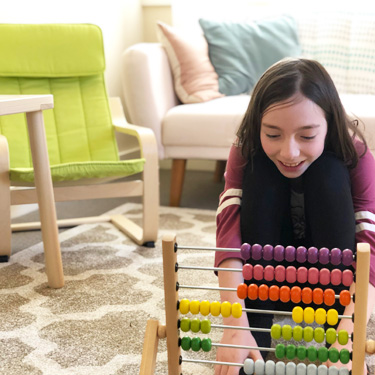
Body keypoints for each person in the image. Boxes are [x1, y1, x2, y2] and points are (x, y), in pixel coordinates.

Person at [215, 58, 375, 375]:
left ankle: (335, 331)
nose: (289, 152)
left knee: (328, 172)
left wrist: (348, 333)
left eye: (306, 136)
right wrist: (235, 326)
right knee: (261, 170)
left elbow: (369, 249)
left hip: (330, 287)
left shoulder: (355, 153)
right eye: (273, 135)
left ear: (329, 125)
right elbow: (229, 234)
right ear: (257, 125)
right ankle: (253, 335)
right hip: (266, 280)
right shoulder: (245, 148)